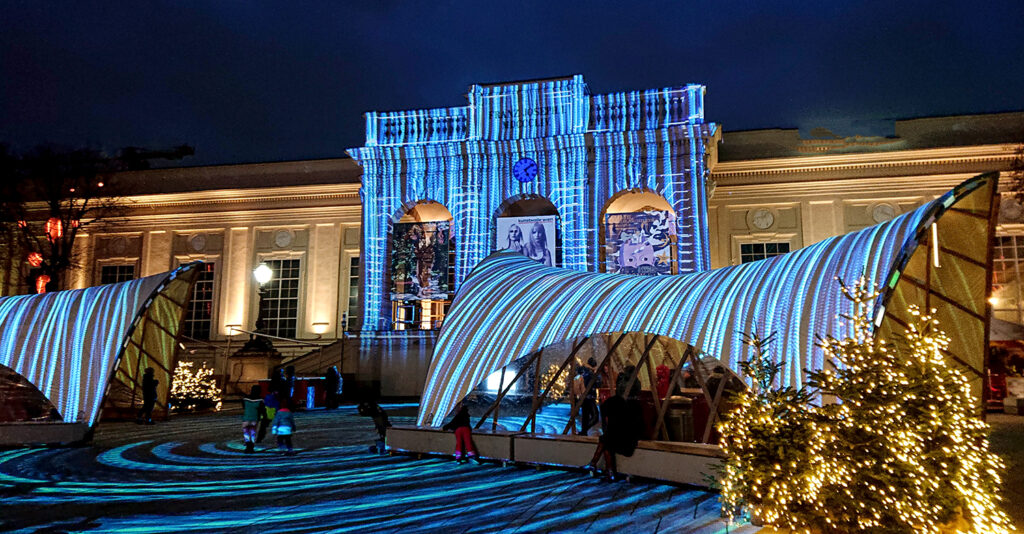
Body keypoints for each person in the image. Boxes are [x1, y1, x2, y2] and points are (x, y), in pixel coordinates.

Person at [585, 393, 642, 481]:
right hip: (625, 441)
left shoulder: (617, 421)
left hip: (626, 444)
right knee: (606, 442)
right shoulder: (625, 415)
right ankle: (600, 468)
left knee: (606, 443)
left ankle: (597, 465)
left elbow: (612, 435)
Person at [241, 385, 268, 454]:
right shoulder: (260, 400)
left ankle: (247, 446)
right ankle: (251, 447)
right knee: (252, 433)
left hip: (246, 418)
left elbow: (243, 406)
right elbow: (263, 411)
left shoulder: (245, 399)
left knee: (246, 433)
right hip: (254, 419)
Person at [577, 358, 600, 435]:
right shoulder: (591, 374)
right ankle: (584, 430)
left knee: (585, 416)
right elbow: (598, 384)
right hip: (589, 398)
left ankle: (584, 432)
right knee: (595, 416)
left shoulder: (584, 373)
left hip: (584, 397)